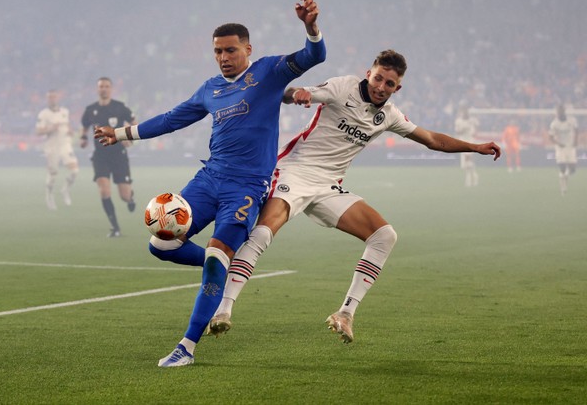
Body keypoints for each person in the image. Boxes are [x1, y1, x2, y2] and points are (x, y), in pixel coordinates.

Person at [207, 49, 501, 344]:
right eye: (378, 78)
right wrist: (298, 95)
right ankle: (223, 311)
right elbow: (291, 93)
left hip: (327, 187)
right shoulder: (343, 87)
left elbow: (433, 140)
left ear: (397, 88)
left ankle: (345, 313)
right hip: (294, 173)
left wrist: (474, 147)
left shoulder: (389, 116)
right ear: (368, 73)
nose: (380, 87)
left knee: (384, 236)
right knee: (262, 234)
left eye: (389, 84)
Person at [94, 0, 326, 367]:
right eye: (218, 51)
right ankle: (219, 268)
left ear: (248, 49)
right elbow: (172, 119)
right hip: (209, 178)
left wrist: (310, 26)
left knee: (218, 253)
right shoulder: (209, 89)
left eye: (231, 50)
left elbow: (314, 56)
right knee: (161, 244)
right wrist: (120, 134)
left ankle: (187, 345)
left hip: (246, 187)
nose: (223, 57)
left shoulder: (268, 72)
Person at [80, 77, 136, 237]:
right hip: (100, 155)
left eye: (106, 86)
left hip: (119, 155)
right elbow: (84, 126)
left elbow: (133, 121)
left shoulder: (119, 107)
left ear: (111, 89)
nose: (103, 89)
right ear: (97, 89)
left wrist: (129, 137)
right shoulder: (90, 109)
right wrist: (83, 138)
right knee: (104, 191)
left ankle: (131, 198)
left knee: (124, 196)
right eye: (101, 86)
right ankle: (115, 227)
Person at [36, 89, 79, 210]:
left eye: (54, 97)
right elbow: (38, 131)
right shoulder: (43, 114)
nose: (52, 99)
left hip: (65, 145)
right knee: (53, 174)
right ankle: (49, 195)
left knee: (74, 171)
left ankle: (65, 189)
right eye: (50, 97)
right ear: (47, 99)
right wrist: (50, 128)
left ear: (58, 98)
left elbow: (67, 125)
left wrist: (70, 131)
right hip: (52, 147)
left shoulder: (65, 111)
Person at [548, 103, 579, 196]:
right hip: (560, 147)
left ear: (564, 111)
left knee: (572, 169)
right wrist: (558, 143)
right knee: (562, 167)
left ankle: (566, 176)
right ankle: (563, 188)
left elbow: (576, 130)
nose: (559, 113)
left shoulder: (571, 120)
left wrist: (575, 141)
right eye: (558, 111)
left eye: (561, 111)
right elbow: (551, 137)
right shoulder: (554, 123)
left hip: (570, 146)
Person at [454, 104, 480, 187]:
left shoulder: (472, 120)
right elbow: (458, 132)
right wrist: (463, 130)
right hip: (462, 142)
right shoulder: (458, 121)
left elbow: (477, 127)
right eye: (463, 111)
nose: (465, 113)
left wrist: (474, 131)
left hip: (470, 142)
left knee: (468, 160)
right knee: (466, 164)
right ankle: (474, 176)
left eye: (466, 111)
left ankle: (469, 179)